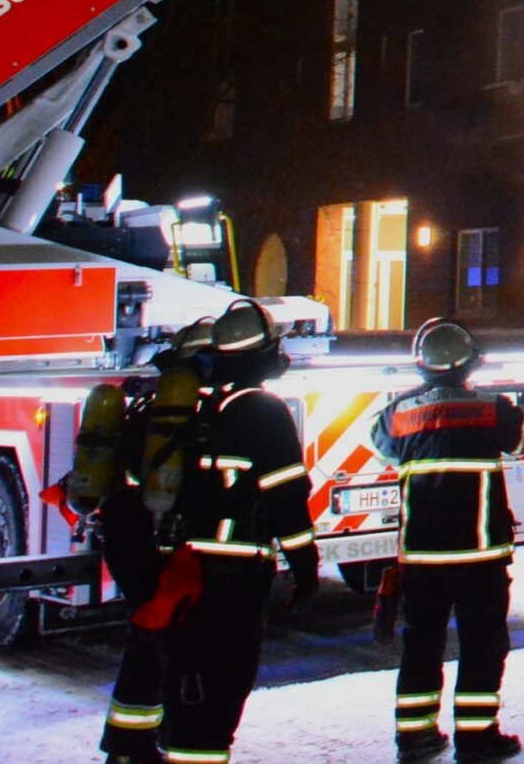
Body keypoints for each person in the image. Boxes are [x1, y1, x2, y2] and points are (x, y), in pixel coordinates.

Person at [157, 298, 319, 764]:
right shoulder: (264, 411)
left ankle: (176, 749)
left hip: (182, 565)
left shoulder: (198, 406)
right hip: (233, 575)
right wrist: (305, 570)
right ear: (263, 352)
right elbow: (287, 500)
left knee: (187, 675)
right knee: (222, 684)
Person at [372, 318, 524, 762]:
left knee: (421, 643)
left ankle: (414, 734)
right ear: (469, 363)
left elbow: (379, 444)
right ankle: (477, 738)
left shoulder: (397, 412)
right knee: (483, 643)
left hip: (421, 555)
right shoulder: (494, 409)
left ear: (421, 364)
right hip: (479, 554)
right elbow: (519, 441)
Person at [93, 318, 213, 764]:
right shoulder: (202, 413)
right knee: (171, 649)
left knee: (145, 641)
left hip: (128, 540)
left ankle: (129, 746)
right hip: (165, 549)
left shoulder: (147, 407)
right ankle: (152, 746)